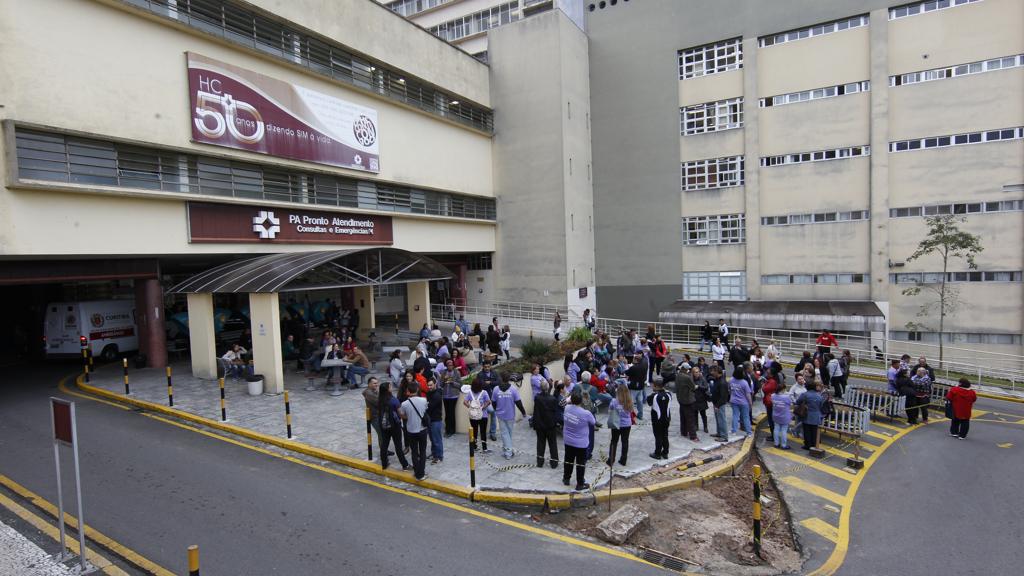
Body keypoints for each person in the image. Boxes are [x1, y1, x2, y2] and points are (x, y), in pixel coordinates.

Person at [562, 389, 596, 490]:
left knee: (568, 460)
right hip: (581, 443)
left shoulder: (567, 408)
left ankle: (566, 478)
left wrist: (569, 399)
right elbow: (593, 422)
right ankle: (580, 483)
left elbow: (565, 402)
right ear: (581, 401)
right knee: (580, 463)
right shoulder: (586, 413)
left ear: (571, 400)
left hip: (568, 440)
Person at [399, 381, 429, 480]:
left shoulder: (404, 404)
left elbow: (403, 415)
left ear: (408, 391)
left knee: (414, 452)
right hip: (422, 430)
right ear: (417, 390)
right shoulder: (423, 400)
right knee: (423, 451)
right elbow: (425, 411)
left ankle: (417, 473)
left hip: (411, 430)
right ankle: (422, 473)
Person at [491, 376, 527, 459]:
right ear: (508, 380)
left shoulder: (496, 389)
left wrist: (496, 410)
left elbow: (493, 402)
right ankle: (508, 453)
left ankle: (507, 451)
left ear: (501, 379)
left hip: (500, 415)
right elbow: (518, 402)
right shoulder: (513, 389)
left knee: (506, 434)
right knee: (508, 433)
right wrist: (523, 412)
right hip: (510, 415)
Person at [377, 381, 410, 471]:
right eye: (390, 386)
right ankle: (405, 465)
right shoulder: (394, 400)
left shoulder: (379, 400)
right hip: (395, 426)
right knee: (398, 446)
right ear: (388, 389)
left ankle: (384, 464)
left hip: (383, 426)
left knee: (384, 445)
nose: (391, 387)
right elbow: (400, 413)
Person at [533, 380, 560, 468]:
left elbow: (536, 411)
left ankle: (540, 462)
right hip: (550, 425)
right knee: (552, 444)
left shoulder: (537, 398)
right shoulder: (553, 399)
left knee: (540, 444)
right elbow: (556, 413)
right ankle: (554, 463)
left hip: (540, 425)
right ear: (548, 388)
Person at [607, 384, 634, 466]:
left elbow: (610, 410)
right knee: (625, 441)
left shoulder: (614, 401)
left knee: (614, 441)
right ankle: (623, 459)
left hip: (616, 423)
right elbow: (631, 411)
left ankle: (611, 460)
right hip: (626, 424)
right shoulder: (630, 401)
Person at [647, 378, 672, 459]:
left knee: (658, 436)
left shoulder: (653, 396)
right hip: (667, 419)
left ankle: (657, 453)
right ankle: (665, 453)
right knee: (665, 435)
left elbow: (649, 403)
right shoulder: (669, 394)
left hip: (657, 420)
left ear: (655, 386)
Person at [464, 380, 491, 453]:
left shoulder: (470, 393)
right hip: (483, 415)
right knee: (483, 432)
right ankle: (484, 448)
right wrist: (482, 407)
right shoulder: (484, 392)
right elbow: (488, 401)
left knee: (474, 432)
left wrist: (471, 407)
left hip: (473, 416)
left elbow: (465, 402)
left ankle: (474, 447)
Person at [796, 382, 825, 450]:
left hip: (807, 414)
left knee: (807, 430)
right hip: (816, 415)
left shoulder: (805, 394)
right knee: (814, 430)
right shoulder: (819, 396)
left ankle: (807, 445)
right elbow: (821, 405)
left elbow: (798, 401)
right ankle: (814, 444)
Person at [675, 365, 697, 441]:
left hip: (680, 399)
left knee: (683, 417)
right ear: (686, 369)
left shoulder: (678, 375)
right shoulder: (687, 377)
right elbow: (693, 387)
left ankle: (683, 432)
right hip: (688, 400)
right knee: (690, 418)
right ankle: (693, 436)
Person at [729, 367, 753, 436]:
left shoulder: (731, 380)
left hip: (734, 401)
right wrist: (750, 403)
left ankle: (734, 430)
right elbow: (748, 394)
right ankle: (749, 432)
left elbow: (730, 390)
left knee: (735, 416)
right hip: (743, 402)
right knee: (746, 417)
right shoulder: (744, 383)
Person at [425, 378, 444, 463]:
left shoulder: (437, 395)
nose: (429, 387)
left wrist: (426, 406)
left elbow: (429, 407)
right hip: (431, 419)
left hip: (436, 420)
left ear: (435, 384)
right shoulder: (429, 393)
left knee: (437, 439)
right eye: (428, 385)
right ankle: (434, 454)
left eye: (431, 385)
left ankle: (439, 456)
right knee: (433, 439)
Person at [772, 381, 793, 450]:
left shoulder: (773, 396)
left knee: (776, 429)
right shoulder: (786, 397)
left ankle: (776, 443)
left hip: (775, 415)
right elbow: (790, 404)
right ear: (783, 389)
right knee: (784, 430)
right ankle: (783, 445)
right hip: (784, 416)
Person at [627, 352, 648, 419]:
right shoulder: (643, 366)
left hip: (634, 386)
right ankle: (640, 415)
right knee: (640, 401)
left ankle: (631, 415)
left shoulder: (633, 367)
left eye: (633, 359)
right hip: (641, 385)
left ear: (636, 360)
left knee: (631, 401)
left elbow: (627, 373)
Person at [788, 373, 808, 439]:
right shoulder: (794, 387)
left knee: (803, 420)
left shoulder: (806, 385)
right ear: (796, 380)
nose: (801, 380)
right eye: (799, 379)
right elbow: (790, 395)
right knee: (797, 420)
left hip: (805, 406)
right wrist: (794, 401)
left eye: (802, 378)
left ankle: (798, 432)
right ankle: (796, 433)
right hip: (798, 405)